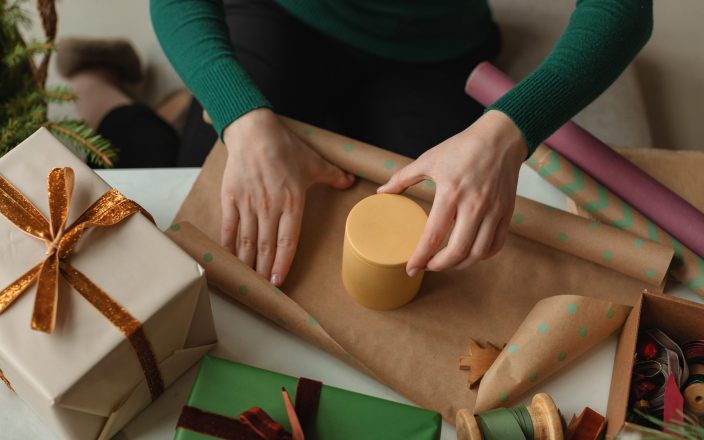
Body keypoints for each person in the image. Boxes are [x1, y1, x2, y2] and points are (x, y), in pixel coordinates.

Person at [60, 0, 653, 288]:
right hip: (278, 12)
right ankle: (96, 80)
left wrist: (508, 132)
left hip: (431, 46)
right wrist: (241, 118)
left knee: (429, 245)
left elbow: (624, 9)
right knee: (202, 192)